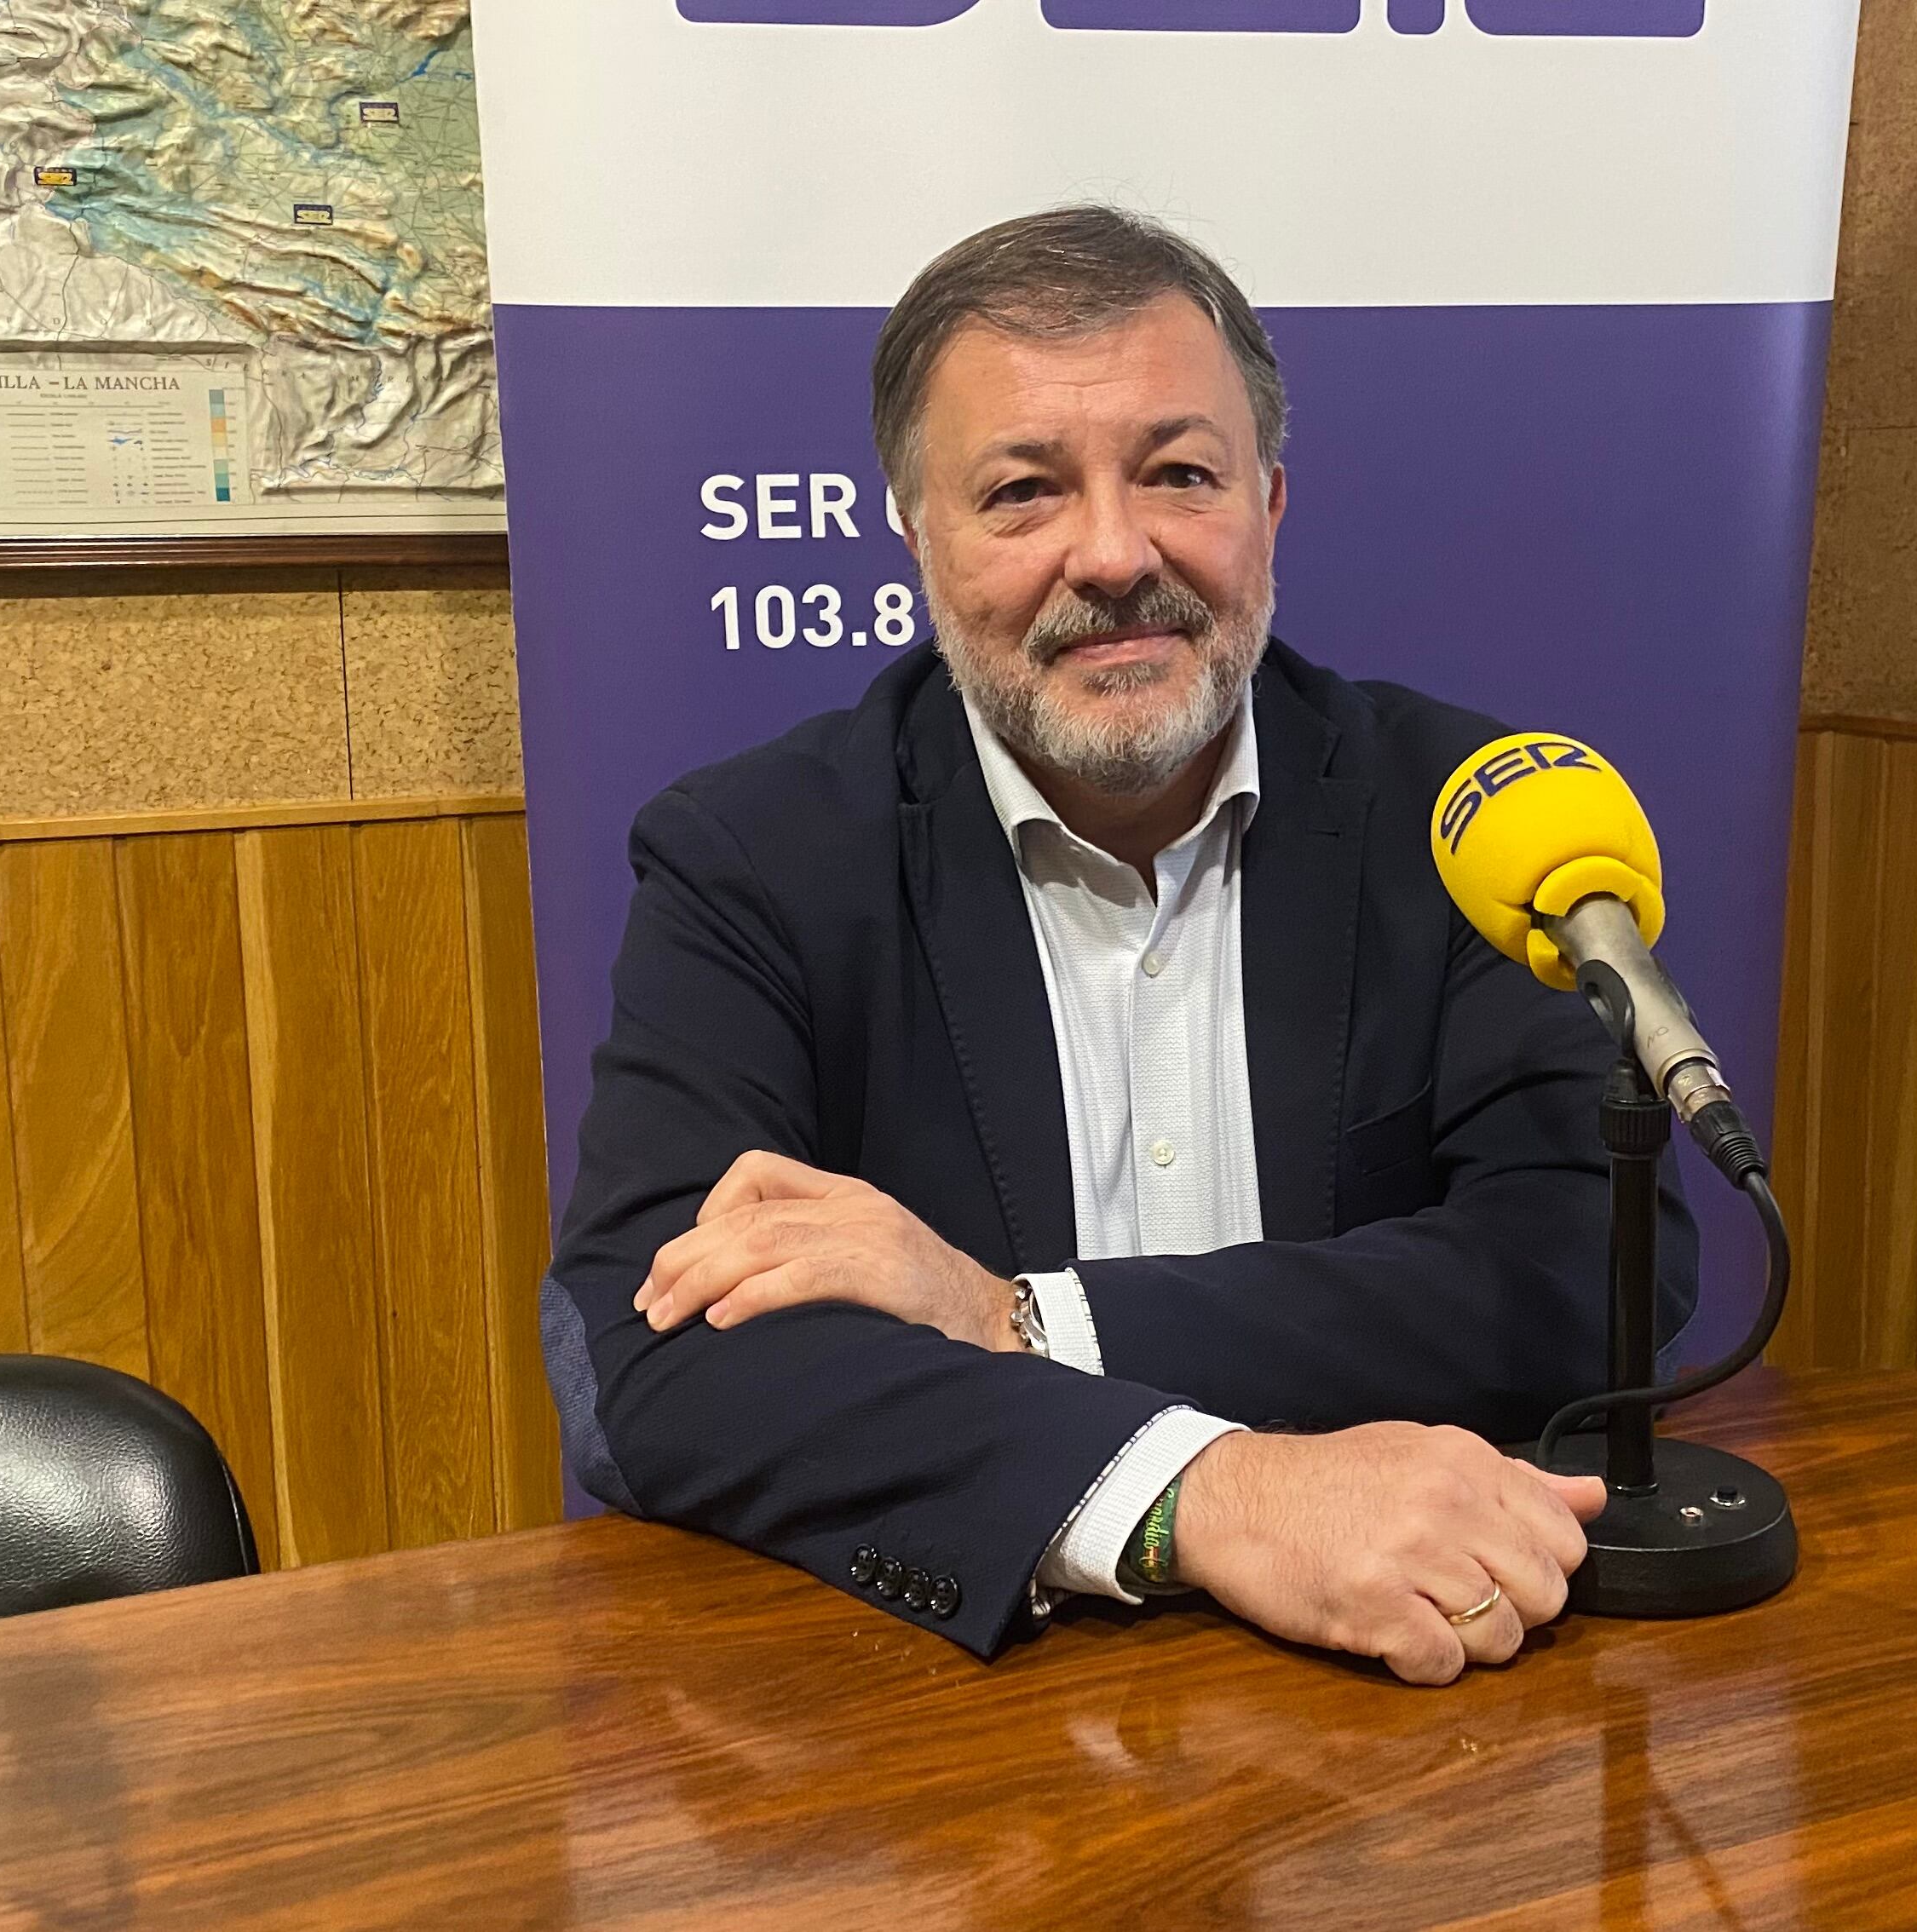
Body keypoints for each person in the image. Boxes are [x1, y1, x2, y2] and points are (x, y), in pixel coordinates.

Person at [544, 205, 1697, 1687]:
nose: (1112, 553)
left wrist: (1013, 1321)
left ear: (1271, 502)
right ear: (915, 535)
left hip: (1432, 1685)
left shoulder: (1474, 823)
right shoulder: (754, 860)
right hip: (959, 1724)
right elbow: (653, 1359)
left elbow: (1582, 1273)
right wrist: (1202, 1498)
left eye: (1178, 474)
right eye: (1023, 493)